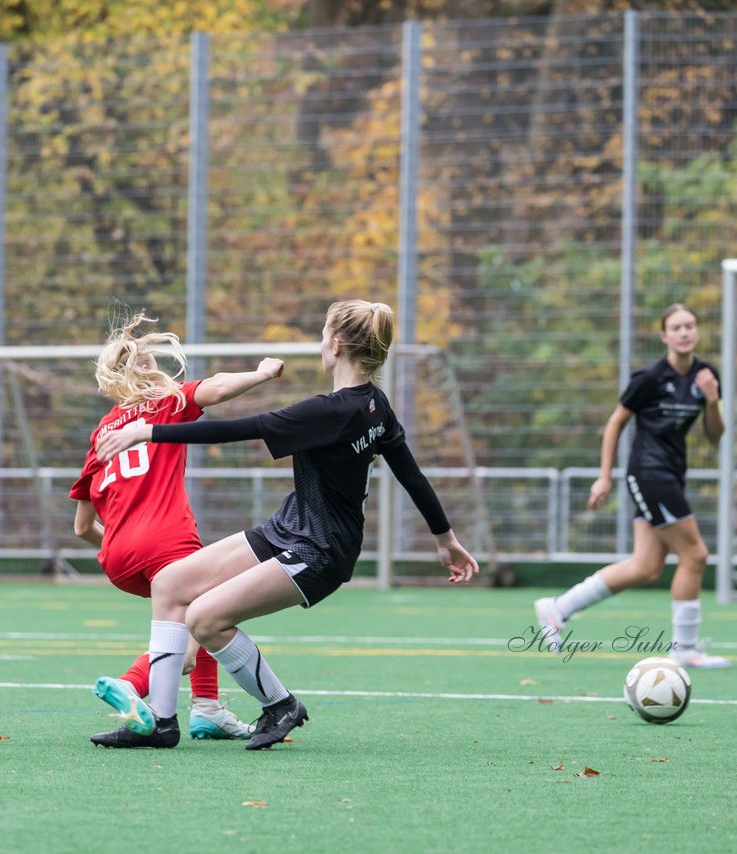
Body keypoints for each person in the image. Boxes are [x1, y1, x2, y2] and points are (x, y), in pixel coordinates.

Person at [93, 299, 478, 750]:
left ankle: (280, 705)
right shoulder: (375, 405)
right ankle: (160, 722)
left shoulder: (330, 411)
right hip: (288, 530)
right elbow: (411, 473)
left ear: (335, 345)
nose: (320, 343)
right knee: (171, 583)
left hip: (318, 551)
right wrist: (445, 538)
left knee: (206, 618)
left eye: (321, 335)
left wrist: (148, 431)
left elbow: (239, 428)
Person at [70, 311, 285, 747]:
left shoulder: (101, 432)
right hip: (165, 539)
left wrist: (118, 542)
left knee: (201, 607)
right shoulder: (162, 404)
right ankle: (132, 684)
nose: (155, 368)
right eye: (147, 362)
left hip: (117, 555)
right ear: (136, 374)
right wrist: (261, 373)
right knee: (188, 640)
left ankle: (207, 709)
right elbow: (218, 386)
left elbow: (80, 527)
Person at [534, 303, 730, 669]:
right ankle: (685, 648)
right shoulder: (650, 378)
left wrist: (713, 399)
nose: (685, 332)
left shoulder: (706, 376)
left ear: (697, 331)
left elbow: (715, 436)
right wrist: (605, 475)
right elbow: (615, 424)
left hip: (672, 474)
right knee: (696, 555)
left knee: (646, 566)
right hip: (649, 473)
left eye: (690, 325)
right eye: (677, 327)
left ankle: (556, 608)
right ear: (665, 336)